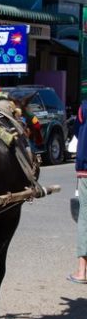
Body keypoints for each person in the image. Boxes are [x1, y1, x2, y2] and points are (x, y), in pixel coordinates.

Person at [69, 98, 87, 284]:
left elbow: (77, 131)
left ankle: (82, 271)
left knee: (85, 217)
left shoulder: (84, 108)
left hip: (86, 170)